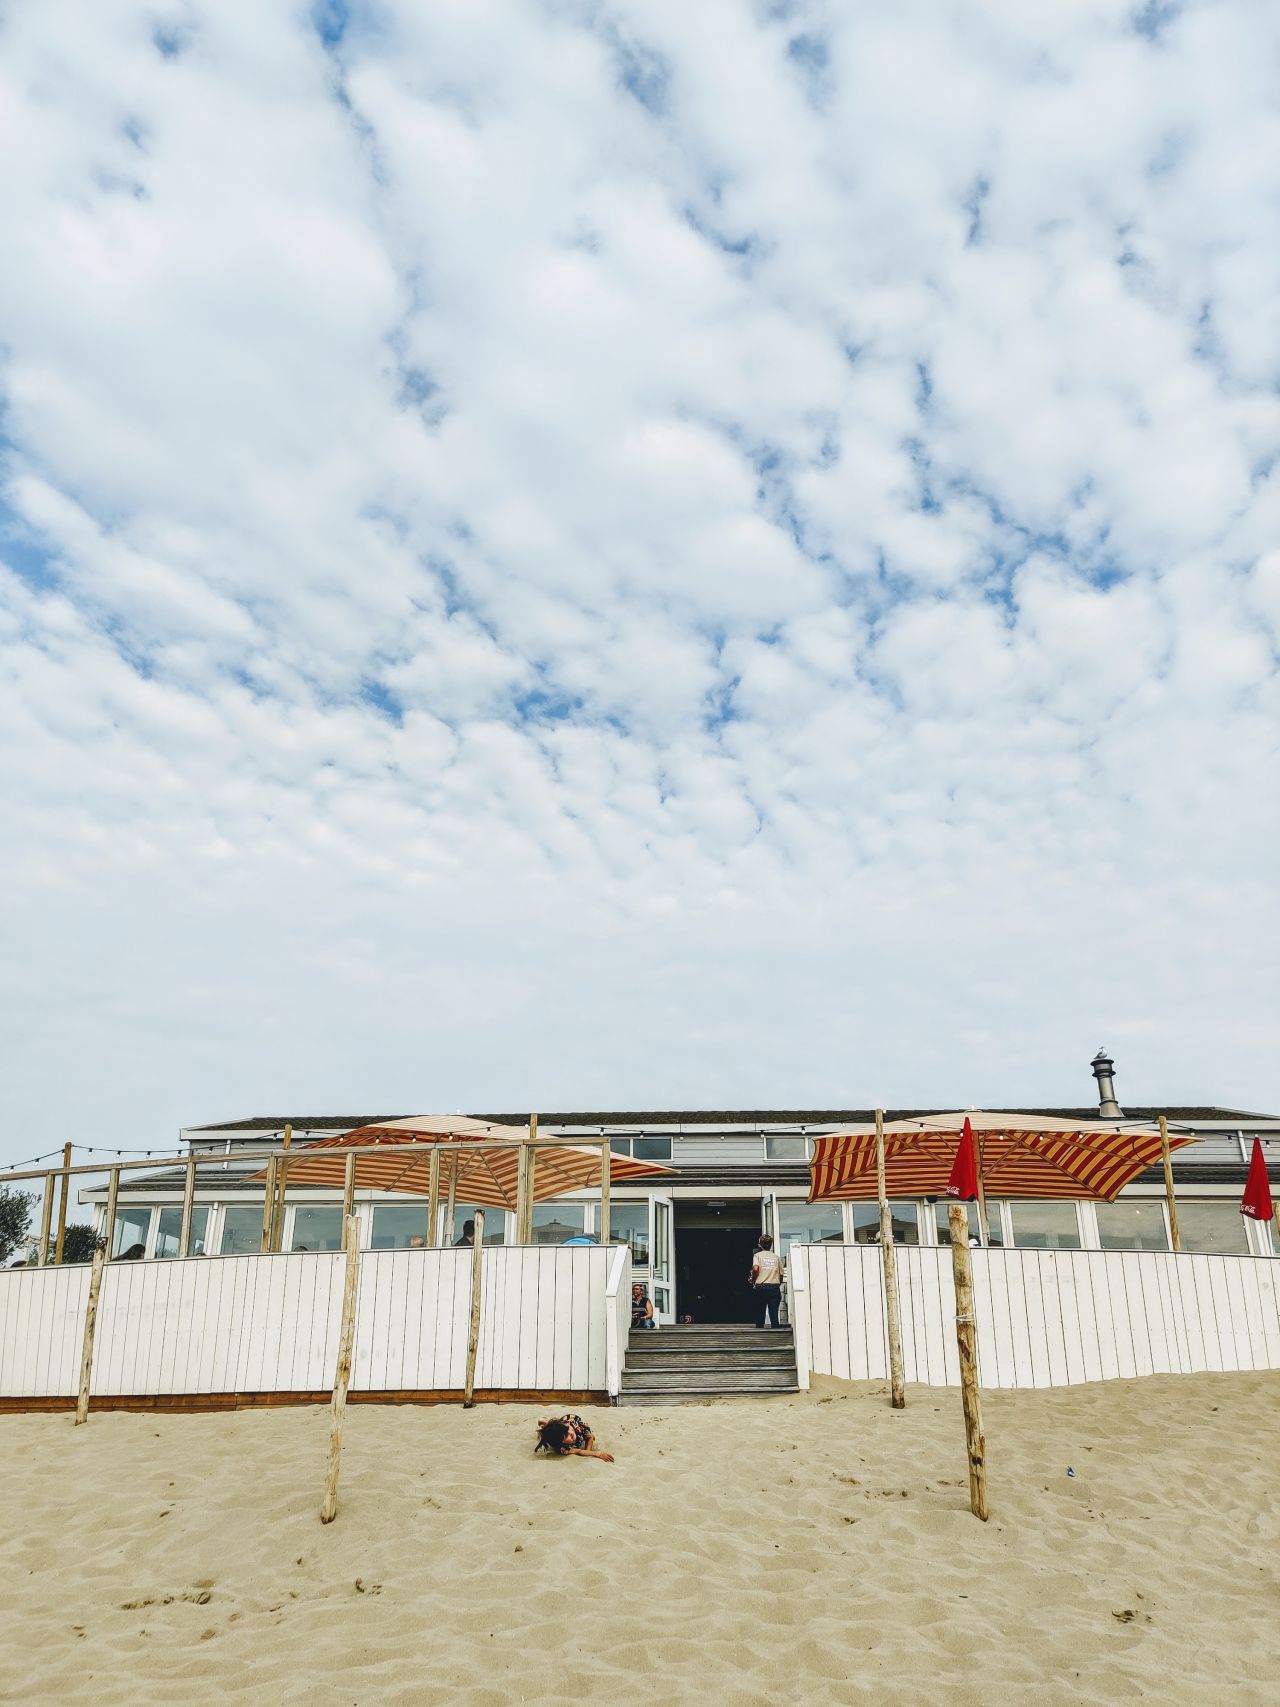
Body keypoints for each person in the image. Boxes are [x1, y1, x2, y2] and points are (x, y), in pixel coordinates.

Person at [534, 1414, 613, 1462]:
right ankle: (543, 1426)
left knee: (555, 1425)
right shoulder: (563, 1448)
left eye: (569, 1430)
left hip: (567, 1422)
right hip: (556, 1433)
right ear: (562, 1442)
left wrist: (588, 1451)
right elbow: (579, 1451)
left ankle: (546, 1422)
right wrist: (597, 1454)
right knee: (545, 1431)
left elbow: (589, 1437)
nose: (571, 1433)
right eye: (566, 1436)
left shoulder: (578, 1428)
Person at [750, 1232, 783, 1328]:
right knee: (774, 1315)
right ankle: (776, 1335)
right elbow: (781, 1274)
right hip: (774, 1287)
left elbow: (755, 1269)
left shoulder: (758, 1256)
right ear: (771, 1245)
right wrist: (777, 1284)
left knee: (760, 1314)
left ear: (760, 1244)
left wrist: (753, 1280)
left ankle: (759, 1334)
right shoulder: (776, 1257)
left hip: (761, 1287)